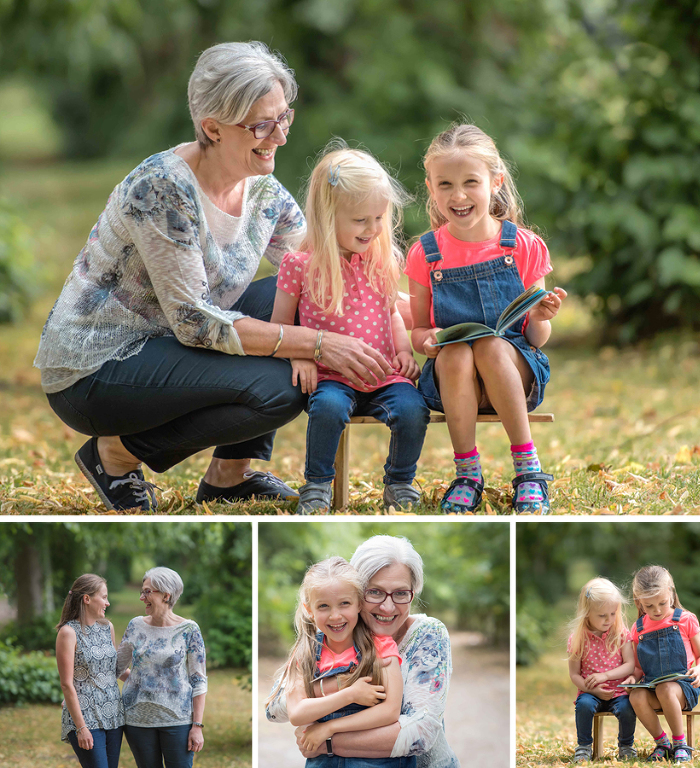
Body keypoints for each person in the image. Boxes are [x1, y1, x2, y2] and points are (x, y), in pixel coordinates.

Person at [33, 41, 394, 511]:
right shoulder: (162, 189)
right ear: (212, 128)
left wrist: (428, 317)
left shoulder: (261, 188)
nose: (280, 136)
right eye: (262, 125)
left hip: (175, 345)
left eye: (284, 117)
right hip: (99, 368)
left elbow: (330, 272)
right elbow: (197, 323)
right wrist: (319, 344)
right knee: (281, 388)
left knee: (295, 294)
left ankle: (228, 478)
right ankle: (114, 454)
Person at [405, 124, 568, 514]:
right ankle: (467, 473)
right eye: (445, 184)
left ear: (495, 182)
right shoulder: (424, 254)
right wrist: (428, 340)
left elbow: (537, 338)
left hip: (514, 373)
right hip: (455, 381)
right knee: (459, 352)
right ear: (431, 188)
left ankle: (528, 470)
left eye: (470, 182)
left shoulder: (523, 245)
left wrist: (541, 316)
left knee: (492, 345)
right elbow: (418, 330)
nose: (458, 196)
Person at [271, 145, 429, 513]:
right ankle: (318, 484)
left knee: (413, 411)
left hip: (384, 374)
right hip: (330, 376)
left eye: (378, 218)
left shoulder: (380, 259)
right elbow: (280, 324)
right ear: (328, 216)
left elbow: (391, 313)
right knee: (326, 410)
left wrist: (404, 351)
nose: (373, 228)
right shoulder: (299, 265)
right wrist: (301, 356)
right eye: (361, 220)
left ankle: (400, 481)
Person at [267, 534, 459, 767]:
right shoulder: (316, 644)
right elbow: (276, 708)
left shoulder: (426, 635)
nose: (387, 607)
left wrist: (326, 739)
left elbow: (421, 732)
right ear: (357, 593)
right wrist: (346, 688)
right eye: (375, 592)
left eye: (400, 593)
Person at [266, 556, 415, 767]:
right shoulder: (305, 653)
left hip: (376, 761)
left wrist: (329, 728)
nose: (335, 616)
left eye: (344, 603)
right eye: (324, 606)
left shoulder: (380, 646)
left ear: (359, 604)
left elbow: (390, 711)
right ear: (309, 610)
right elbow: (297, 713)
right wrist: (350, 694)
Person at [117, 567, 207, 768]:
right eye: (142, 591)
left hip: (178, 720)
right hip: (137, 719)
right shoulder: (135, 625)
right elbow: (116, 668)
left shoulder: (189, 629)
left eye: (147, 591)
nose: (142, 597)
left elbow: (199, 680)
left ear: (166, 595)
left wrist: (197, 726)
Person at [620, 566, 700, 763]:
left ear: (671, 592)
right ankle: (662, 743)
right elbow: (638, 667)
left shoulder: (685, 619)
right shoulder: (638, 627)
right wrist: (633, 678)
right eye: (649, 606)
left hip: (683, 689)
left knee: (666, 689)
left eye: (662, 603)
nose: (657, 610)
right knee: (637, 696)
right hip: (652, 686)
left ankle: (680, 744)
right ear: (638, 600)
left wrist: (699, 670)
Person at [56, 574, 124, 768]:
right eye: (103, 597)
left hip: (113, 715)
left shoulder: (107, 627)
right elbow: (66, 683)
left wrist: (144, 680)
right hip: (85, 717)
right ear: (87, 599)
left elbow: (114, 669)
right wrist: (81, 727)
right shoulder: (68, 633)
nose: (108, 603)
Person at [567, 578, 637, 763]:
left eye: (613, 613)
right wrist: (591, 689)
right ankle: (583, 747)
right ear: (587, 613)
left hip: (619, 691)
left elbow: (630, 664)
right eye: (602, 615)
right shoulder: (578, 639)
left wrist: (605, 676)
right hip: (590, 692)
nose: (609, 620)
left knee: (628, 708)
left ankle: (626, 746)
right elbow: (574, 674)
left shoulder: (621, 634)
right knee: (584, 706)